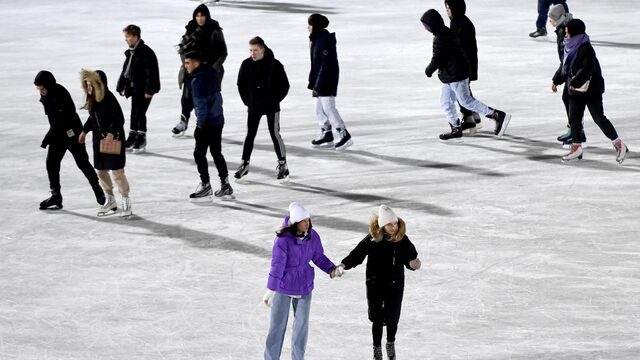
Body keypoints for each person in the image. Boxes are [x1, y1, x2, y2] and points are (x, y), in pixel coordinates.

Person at [335, 205, 421, 360]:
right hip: (376, 284)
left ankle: (390, 343)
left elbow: (409, 257)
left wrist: (413, 264)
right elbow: (357, 254)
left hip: (395, 284)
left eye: (395, 223)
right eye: (389, 224)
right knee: (377, 318)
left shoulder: (401, 239)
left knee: (393, 317)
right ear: (382, 225)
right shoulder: (372, 239)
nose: (393, 227)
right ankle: (377, 348)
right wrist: (343, 265)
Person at [263, 202, 340, 360]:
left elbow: (318, 256)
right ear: (295, 223)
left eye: (309, 220)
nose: (308, 223)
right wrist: (271, 290)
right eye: (304, 221)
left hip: (304, 285)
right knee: (277, 326)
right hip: (283, 287)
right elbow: (277, 266)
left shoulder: (313, 236)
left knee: (301, 327)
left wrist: (331, 269)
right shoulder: (283, 240)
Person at [421, 9, 511, 141]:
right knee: (445, 101)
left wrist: (429, 70)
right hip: (450, 75)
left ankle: (497, 115)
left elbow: (437, 58)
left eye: (427, 26)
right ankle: (456, 128)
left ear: (433, 24)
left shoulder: (441, 37)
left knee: (466, 101)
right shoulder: (443, 32)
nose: (426, 29)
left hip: (456, 75)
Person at [551, 19, 629, 163]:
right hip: (575, 90)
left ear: (575, 33)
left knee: (599, 118)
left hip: (591, 90)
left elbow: (587, 69)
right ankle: (576, 148)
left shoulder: (586, 48)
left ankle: (619, 145)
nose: (565, 36)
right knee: (574, 119)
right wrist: (556, 80)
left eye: (568, 33)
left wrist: (574, 82)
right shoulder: (569, 47)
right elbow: (565, 66)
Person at [34, 71, 105, 210]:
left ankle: (97, 189)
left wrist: (47, 138)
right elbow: (53, 120)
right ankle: (56, 195)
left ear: (48, 85)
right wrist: (51, 136)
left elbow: (61, 119)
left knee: (82, 162)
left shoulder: (61, 94)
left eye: (42, 88)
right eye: (38, 89)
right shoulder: (47, 94)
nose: (40, 91)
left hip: (72, 132)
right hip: (57, 133)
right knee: (51, 163)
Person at [235, 36, 290, 182]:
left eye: (255, 50)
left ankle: (283, 165)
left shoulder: (275, 64)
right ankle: (244, 164)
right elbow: (240, 85)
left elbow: (285, 86)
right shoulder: (245, 64)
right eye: (251, 50)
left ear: (263, 50)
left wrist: (274, 100)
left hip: (272, 106)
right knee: (250, 135)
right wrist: (248, 101)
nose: (253, 53)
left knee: (275, 134)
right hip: (254, 106)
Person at [79, 70, 132, 217]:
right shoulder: (92, 99)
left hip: (113, 139)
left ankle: (125, 200)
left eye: (91, 83)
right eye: (87, 84)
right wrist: (84, 131)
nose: (89, 86)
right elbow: (92, 119)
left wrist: (111, 132)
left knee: (117, 172)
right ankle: (110, 199)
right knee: (101, 171)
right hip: (98, 140)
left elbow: (119, 119)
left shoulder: (109, 98)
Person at [183, 51, 233, 200]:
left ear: (196, 63)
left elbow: (201, 105)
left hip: (207, 122)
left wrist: (200, 125)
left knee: (199, 154)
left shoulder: (197, 80)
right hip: (218, 119)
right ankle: (225, 184)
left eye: (188, 63)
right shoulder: (212, 73)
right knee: (216, 152)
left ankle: (205, 185)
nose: (186, 66)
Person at [173, 4, 227, 136]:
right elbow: (183, 50)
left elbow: (223, 53)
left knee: (205, 98)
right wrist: (187, 65)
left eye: (202, 15)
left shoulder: (215, 31)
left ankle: (208, 123)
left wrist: (213, 69)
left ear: (207, 16)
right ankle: (183, 121)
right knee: (187, 96)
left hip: (208, 71)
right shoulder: (190, 29)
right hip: (191, 69)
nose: (200, 18)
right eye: (197, 15)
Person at [307, 13, 353, 151]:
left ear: (316, 26)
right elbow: (315, 64)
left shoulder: (325, 41)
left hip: (327, 79)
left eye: (309, 24)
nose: (307, 27)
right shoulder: (316, 39)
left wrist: (319, 83)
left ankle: (344, 134)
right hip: (318, 79)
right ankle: (326, 133)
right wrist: (313, 80)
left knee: (328, 108)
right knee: (318, 107)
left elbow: (326, 65)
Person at [116, 24, 160, 153]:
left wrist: (149, 90)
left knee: (140, 112)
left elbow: (151, 73)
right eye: (125, 36)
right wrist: (121, 84)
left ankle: (141, 137)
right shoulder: (132, 51)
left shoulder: (146, 52)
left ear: (135, 36)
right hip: (135, 88)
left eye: (128, 36)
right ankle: (132, 135)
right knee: (134, 112)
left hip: (145, 89)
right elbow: (126, 70)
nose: (126, 39)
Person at [547, 4, 586, 147]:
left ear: (558, 19)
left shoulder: (565, 31)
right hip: (572, 70)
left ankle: (577, 133)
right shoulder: (562, 28)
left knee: (571, 100)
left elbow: (567, 59)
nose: (549, 21)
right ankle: (575, 130)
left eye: (551, 18)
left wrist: (557, 79)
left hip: (575, 72)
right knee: (568, 99)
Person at [445, 0, 482, 134]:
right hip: (465, 64)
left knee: (459, 91)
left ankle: (468, 117)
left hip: (464, 65)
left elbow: (461, 47)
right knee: (463, 89)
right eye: (446, 7)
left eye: (449, 7)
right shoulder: (458, 22)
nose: (447, 10)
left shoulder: (461, 24)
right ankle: (474, 114)